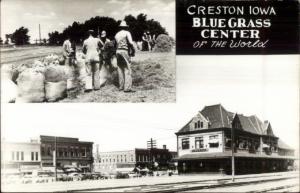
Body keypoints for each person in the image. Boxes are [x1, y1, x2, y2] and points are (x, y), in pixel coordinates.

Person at [115, 20, 135, 92]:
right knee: (127, 68)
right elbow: (130, 43)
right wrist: (133, 50)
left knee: (120, 68)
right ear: (126, 27)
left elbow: (115, 45)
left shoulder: (116, 34)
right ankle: (127, 88)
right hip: (124, 50)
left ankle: (121, 86)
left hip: (118, 51)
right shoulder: (127, 33)